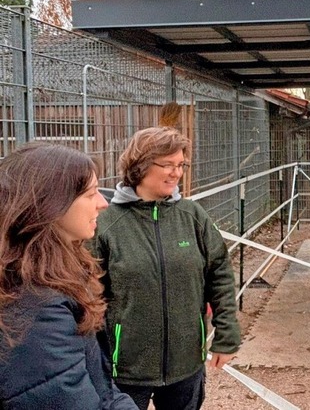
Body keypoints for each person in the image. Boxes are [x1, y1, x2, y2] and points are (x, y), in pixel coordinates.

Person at [92, 125, 241, 410]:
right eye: (168, 165)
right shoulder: (107, 223)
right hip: (126, 368)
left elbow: (219, 272)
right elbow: (89, 293)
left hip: (185, 365)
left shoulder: (192, 216)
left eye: (180, 165)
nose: (177, 173)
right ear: (140, 165)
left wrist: (227, 334)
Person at [0, 143, 137, 410]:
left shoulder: (52, 275)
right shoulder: (36, 309)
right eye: (91, 193)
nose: (103, 203)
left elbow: (99, 389)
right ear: (51, 204)